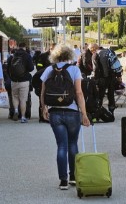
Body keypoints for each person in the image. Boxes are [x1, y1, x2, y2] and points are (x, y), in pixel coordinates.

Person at [40, 44, 90, 190]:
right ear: (69, 55)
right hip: (72, 112)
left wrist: (44, 108)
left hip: (55, 112)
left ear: (54, 56)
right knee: (73, 145)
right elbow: (79, 93)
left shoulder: (49, 69)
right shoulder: (74, 69)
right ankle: (73, 178)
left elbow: (43, 92)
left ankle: (63, 181)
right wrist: (84, 114)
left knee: (61, 146)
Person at [7, 42, 34, 123]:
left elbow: (8, 69)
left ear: (18, 47)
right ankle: (22, 117)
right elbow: (31, 68)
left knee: (15, 97)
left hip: (14, 81)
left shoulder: (12, 56)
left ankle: (15, 110)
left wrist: (12, 77)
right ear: (25, 47)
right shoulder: (27, 56)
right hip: (24, 81)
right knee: (23, 99)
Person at [92, 46, 117, 114]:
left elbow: (96, 68)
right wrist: (118, 76)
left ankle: (99, 110)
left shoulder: (96, 54)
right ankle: (111, 111)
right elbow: (116, 64)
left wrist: (95, 79)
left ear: (96, 49)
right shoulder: (111, 52)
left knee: (101, 95)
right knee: (111, 95)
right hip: (112, 77)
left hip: (102, 78)